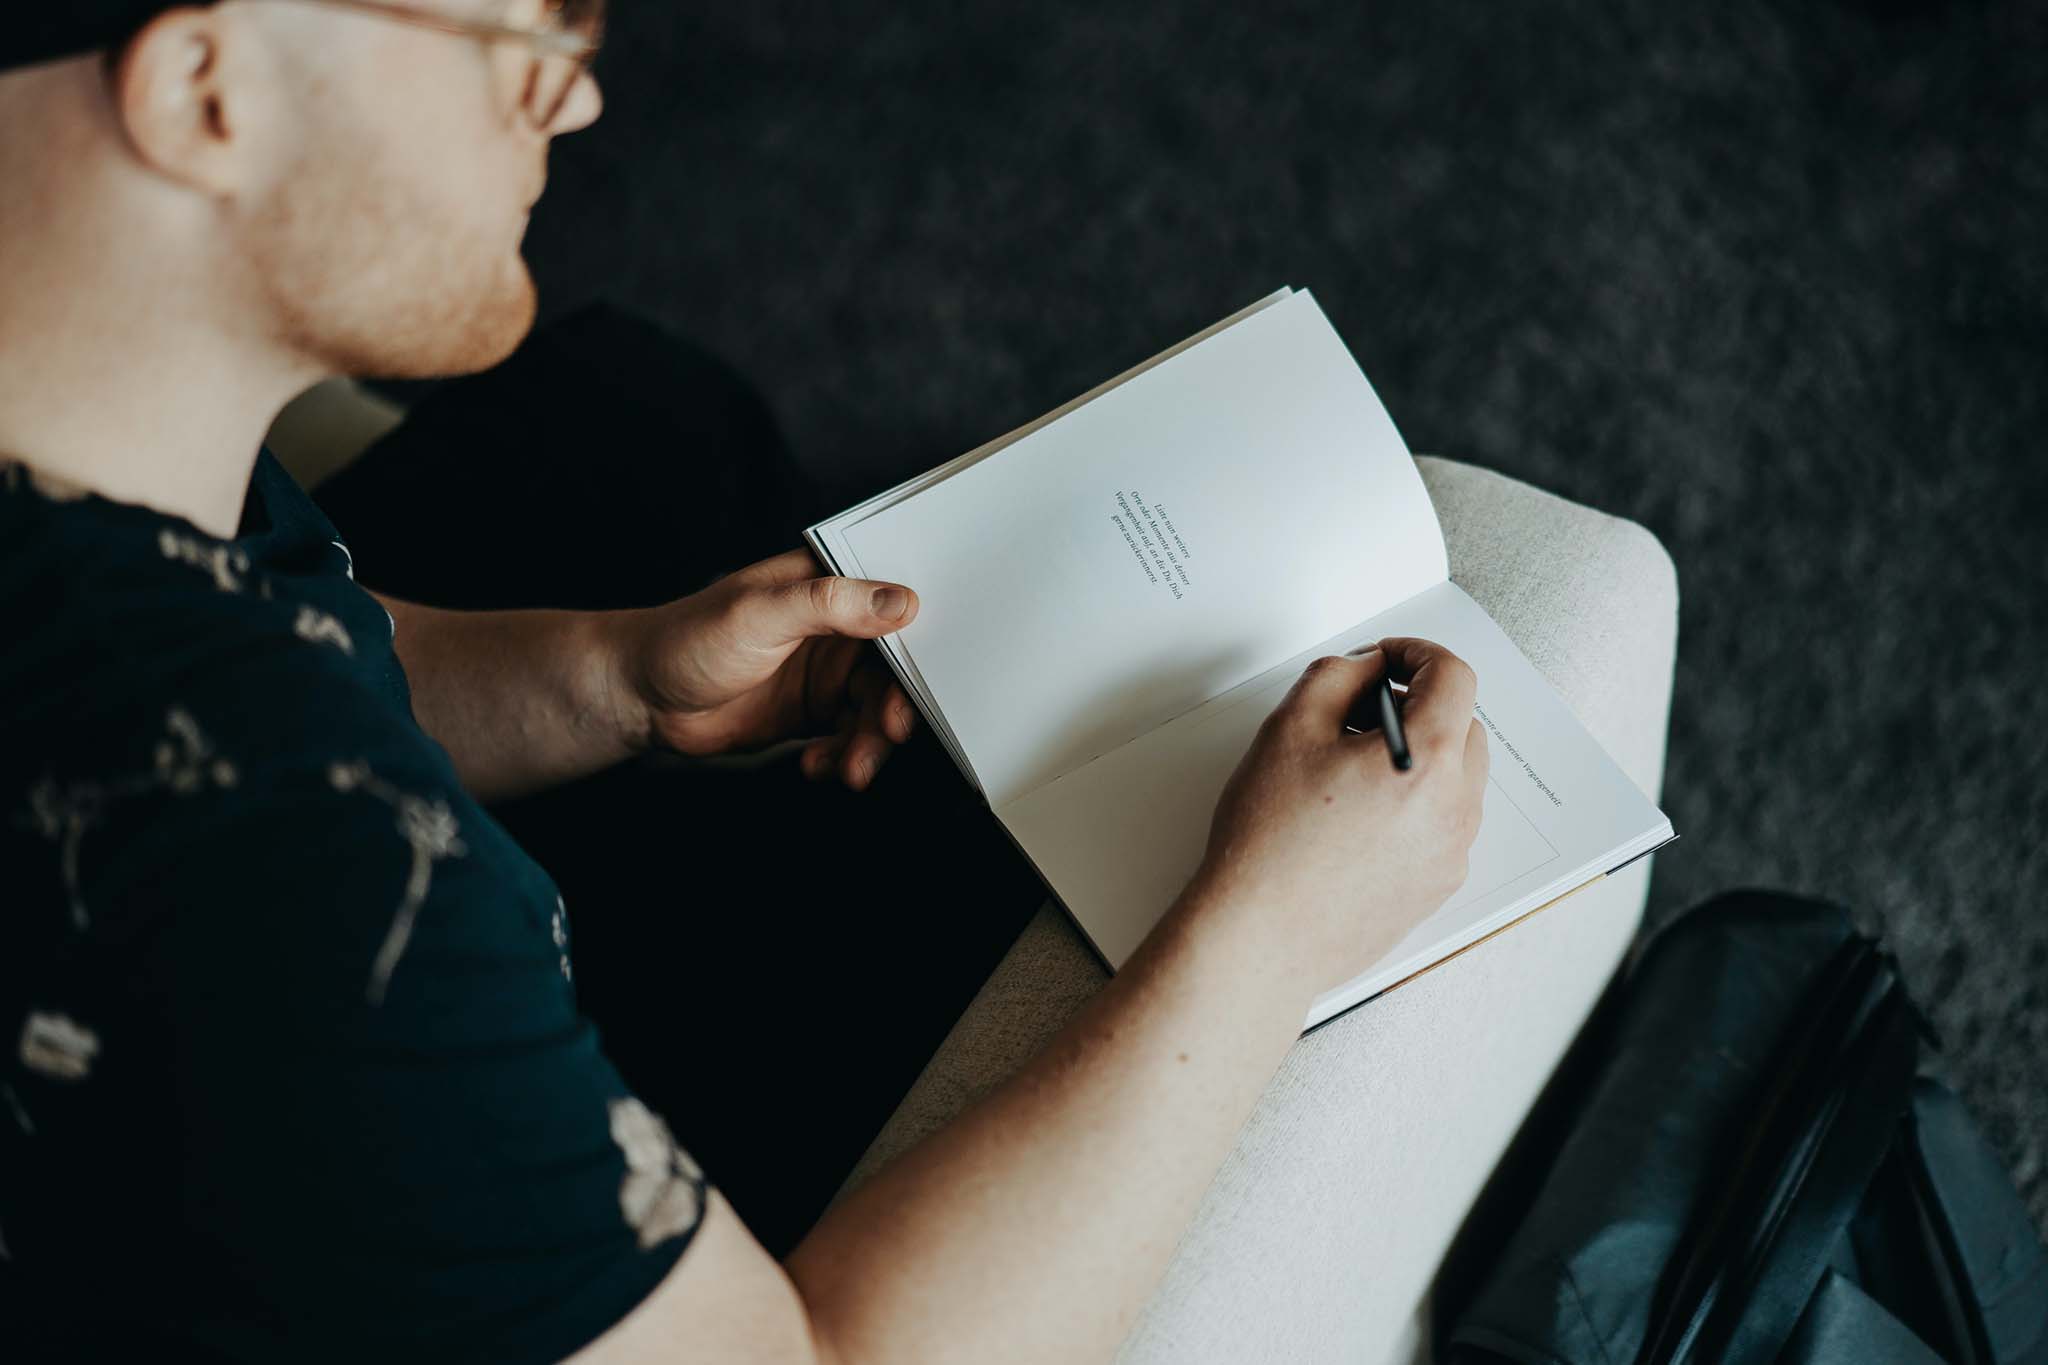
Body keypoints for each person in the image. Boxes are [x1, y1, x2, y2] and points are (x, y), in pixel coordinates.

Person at [0, 3, 1489, 1361]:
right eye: (527, 32)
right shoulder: (296, 888)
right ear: (204, 85)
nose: (572, 102)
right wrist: (1268, 932)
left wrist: (611, 681)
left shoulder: (80, 391)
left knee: (645, 413)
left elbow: (279, 622)